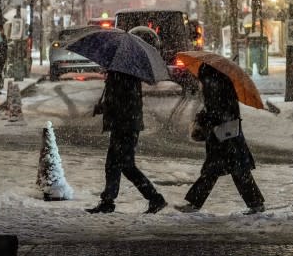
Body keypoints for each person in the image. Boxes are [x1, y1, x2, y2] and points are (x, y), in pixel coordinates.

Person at [176, 63, 265, 215]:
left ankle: (194, 203)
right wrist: (206, 115)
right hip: (227, 136)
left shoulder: (215, 87)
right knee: (230, 171)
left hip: (224, 138)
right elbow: (220, 110)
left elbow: (219, 112)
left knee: (221, 171)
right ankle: (255, 203)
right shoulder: (222, 84)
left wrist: (205, 118)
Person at [86, 70, 167, 214]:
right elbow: (118, 99)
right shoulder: (120, 73)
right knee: (113, 164)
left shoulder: (123, 75)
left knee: (126, 165)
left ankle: (155, 198)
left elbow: (122, 101)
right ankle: (108, 201)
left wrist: (104, 107)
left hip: (126, 126)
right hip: (123, 125)